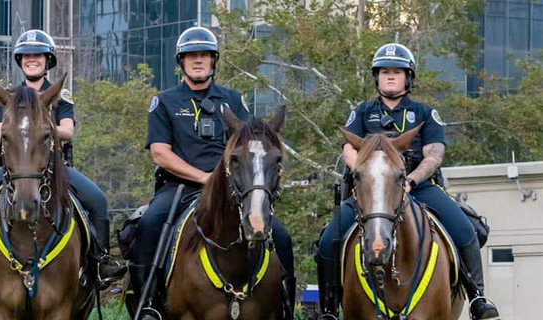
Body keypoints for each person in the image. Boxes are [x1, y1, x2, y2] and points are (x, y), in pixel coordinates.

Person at [315, 43, 499, 320]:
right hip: (370, 191)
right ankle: (328, 309)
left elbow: (434, 153)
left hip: (418, 187)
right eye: (384, 71)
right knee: (328, 241)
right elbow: (349, 149)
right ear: (376, 76)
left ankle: (478, 298)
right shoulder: (363, 112)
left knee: (464, 231)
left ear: (408, 78)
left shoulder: (424, 113)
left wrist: (410, 179)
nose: (390, 76)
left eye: (397, 72)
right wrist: (367, 175)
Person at [0, 29, 126, 289]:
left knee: (97, 199)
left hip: (54, 168)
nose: (32, 59)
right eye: (26, 56)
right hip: (15, 168)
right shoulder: (9, 95)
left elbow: (68, 130)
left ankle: (101, 263)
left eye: (37, 55)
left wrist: (43, 126)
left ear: (48, 60)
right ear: (20, 61)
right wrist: (21, 128)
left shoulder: (59, 93)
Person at [131, 26, 296, 319]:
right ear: (181, 61)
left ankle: (285, 306)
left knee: (280, 236)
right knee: (149, 225)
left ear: (214, 61)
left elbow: (250, 144)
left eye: (205, 56)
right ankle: (148, 304)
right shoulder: (165, 101)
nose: (198, 61)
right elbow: (160, 153)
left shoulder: (233, 99)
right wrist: (204, 177)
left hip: (232, 189)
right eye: (191, 56)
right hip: (180, 188)